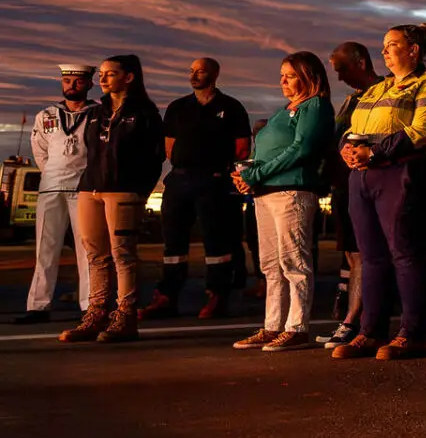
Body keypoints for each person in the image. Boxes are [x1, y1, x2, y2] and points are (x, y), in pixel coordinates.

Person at [334, 24, 426, 360]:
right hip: (363, 175)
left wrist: (376, 152)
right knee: (371, 257)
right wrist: (347, 149)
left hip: (400, 171)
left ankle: (412, 334)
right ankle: (371, 332)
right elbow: (352, 128)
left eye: (392, 45)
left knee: (406, 252)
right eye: (383, 45)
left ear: (413, 50)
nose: (383, 51)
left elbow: (422, 130)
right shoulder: (375, 89)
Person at [231, 52, 334, 352]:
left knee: (294, 261)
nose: (283, 81)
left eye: (290, 75)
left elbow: (301, 148)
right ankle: (273, 325)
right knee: (271, 264)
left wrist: (259, 172)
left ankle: (297, 327)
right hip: (265, 192)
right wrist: (248, 174)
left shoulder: (314, 106)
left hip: (292, 191)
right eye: (281, 76)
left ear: (308, 76)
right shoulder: (283, 111)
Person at [60, 55, 165, 344]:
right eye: (102, 74)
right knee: (95, 254)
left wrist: (140, 191)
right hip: (90, 188)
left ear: (129, 77)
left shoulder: (145, 112)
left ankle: (126, 316)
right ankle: (96, 314)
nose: (102, 79)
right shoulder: (96, 112)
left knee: (123, 254)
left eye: (110, 74)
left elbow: (156, 156)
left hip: (123, 190)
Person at [146, 57, 251, 320]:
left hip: (215, 181)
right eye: (191, 70)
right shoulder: (178, 107)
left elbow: (242, 148)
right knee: (173, 242)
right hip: (180, 180)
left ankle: (217, 295)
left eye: (200, 71)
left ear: (214, 74)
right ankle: (167, 296)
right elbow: (169, 147)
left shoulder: (231, 107)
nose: (194, 75)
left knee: (217, 241)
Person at [16, 63, 95, 325]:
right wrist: (52, 172)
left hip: (84, 188)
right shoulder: (46, 115)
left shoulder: (99, 113)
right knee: (45, 248)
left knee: (87, 249)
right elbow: (40, 151)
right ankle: (38, 306)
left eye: (78, 81)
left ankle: (90, 305)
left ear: (89, 83)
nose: (71, 85)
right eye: (67, 81)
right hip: (51, 186)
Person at [319, 43, 380, 346]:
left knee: (362, 254)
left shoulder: (383, 92)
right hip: (343, 184)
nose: (339, 77)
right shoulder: (350, 100)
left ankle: (354, 322)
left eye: (342, 68)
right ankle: (352, 317)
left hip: (368, 180)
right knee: (350, 253)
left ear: (361, 61)